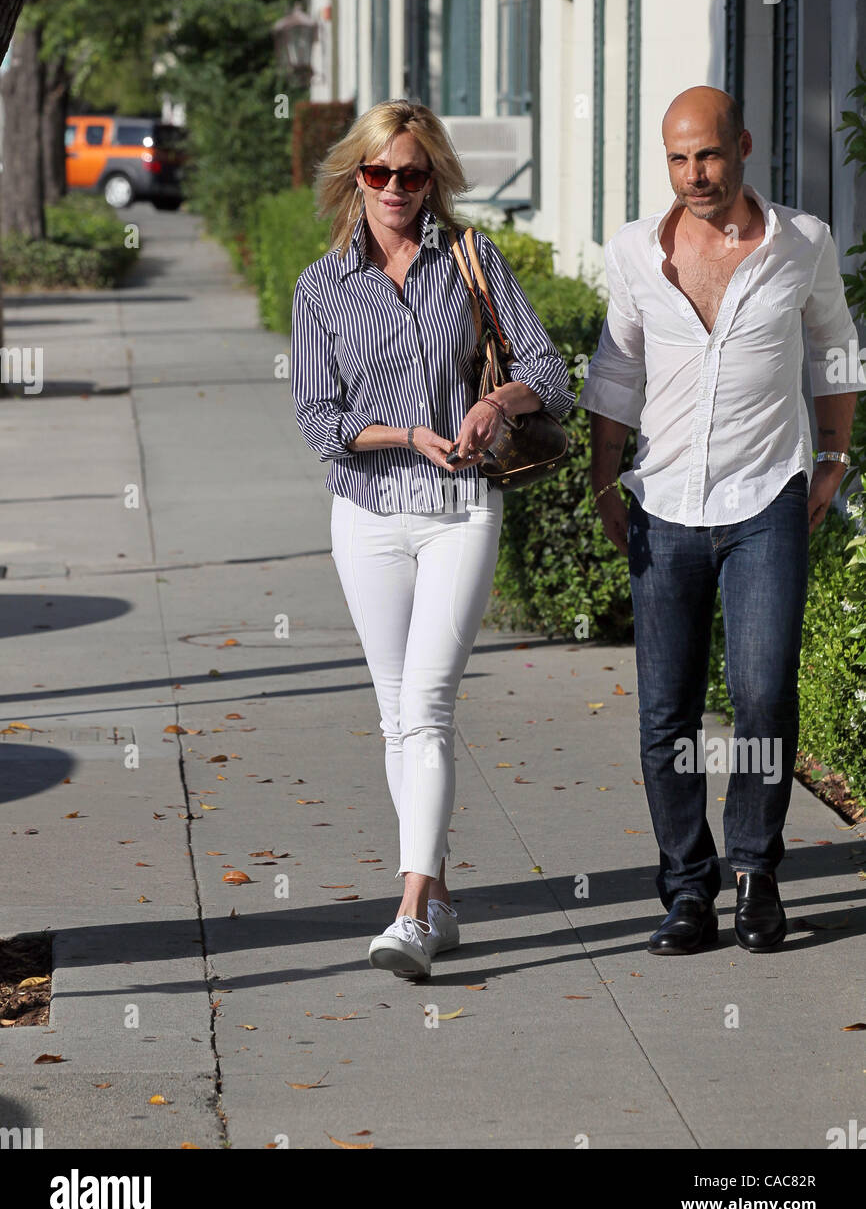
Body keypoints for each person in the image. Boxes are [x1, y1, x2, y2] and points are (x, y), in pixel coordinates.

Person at [291, 99, 574, 978]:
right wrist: (406, 433)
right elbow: (319, 420)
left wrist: (494, 402)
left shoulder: (470, 257)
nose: (395, 190)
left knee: (428, 709)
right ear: (355, 177)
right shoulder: (320, 286)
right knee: (394, 717)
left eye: (413, 175)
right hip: (368, 515)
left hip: (460, 511)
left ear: (433, 178)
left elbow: (551, 373)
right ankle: (441, 898)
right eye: (378, 173)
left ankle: (409, 913)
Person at [580, 85, 862, 954]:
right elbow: (616, 370)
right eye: (676, 158)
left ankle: (757, 875)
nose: (693, 174)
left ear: (740, 145)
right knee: (665, 711)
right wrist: (602, 481)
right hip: (663, 504)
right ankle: (687, 891)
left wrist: (835, 457)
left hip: (765, 499)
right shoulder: (634, 252)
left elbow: (836, 349)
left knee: (764, 693)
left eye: (706, 154)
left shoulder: (801, 242)